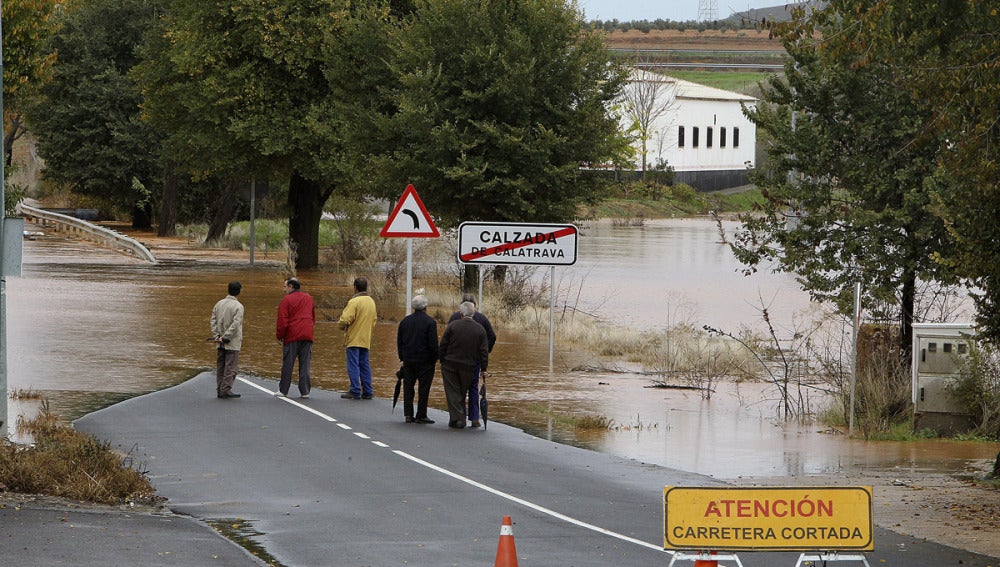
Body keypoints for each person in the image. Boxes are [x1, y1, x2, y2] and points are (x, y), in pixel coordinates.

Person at [448, 293, 496, 428]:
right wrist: (485, 352)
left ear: (461, 305)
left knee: (458, 388)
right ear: (475, 305)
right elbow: (492, 336)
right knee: (473, 387)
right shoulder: (482, 319)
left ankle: (460, 416)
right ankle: (475, 417)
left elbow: (447, 336)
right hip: (475, 360)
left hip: (456, 359)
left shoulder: (454, 318)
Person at [438, 301, 489, 429]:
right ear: (474, 313)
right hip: (469, 367)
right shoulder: (480, 330)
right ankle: (456, 419)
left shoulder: (453, 326)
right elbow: (484, 352)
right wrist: (484, 369)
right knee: (461, 392)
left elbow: (443, 344)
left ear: (461, 314)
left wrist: (441, 359)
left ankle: (459, 419)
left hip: (450, 364)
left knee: (452, 392)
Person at [396, 294, 438, 424]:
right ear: (426, 307)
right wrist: (434, 359)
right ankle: (421, 415)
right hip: (425, 361)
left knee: (408, 387)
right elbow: (433, 344)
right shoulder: (430, 322)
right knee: (423, 389)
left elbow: (400, 341)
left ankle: (408, 414)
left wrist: (402, 357)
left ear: (413, 306)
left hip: (408, 360)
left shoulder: (405, 321)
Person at [276, 277, 315, 398]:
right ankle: (305, 391)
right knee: (305, 364)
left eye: (285, 286)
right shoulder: (308, 298)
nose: (284, 289)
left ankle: (283, 390)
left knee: (288, 363)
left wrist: (280, 335)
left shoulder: (286, 300)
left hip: (292, 335)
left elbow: (283, 320)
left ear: (291, 287)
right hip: (307, 333)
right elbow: (313, 316)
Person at [339, 277, 377, 400]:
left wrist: (341, 325)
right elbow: (374, 320)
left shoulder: (354, 302)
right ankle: (368, 390)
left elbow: (345, 319)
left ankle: (355, 390)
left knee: (353, 364)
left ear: (355, 287)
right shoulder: (371, 301)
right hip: (366, 338)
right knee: (365, 364)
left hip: (354, 337)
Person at [210, 281, 244, 399]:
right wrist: (226, 337)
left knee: (221, 366)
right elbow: (236, 324)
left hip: (219, 340)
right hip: (232, 342)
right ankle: (225, 389)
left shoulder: (219, 303)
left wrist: (217, 336)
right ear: (239, 291)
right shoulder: (238, 306)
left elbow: (213, 320)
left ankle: (220, 388)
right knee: (230, 366)